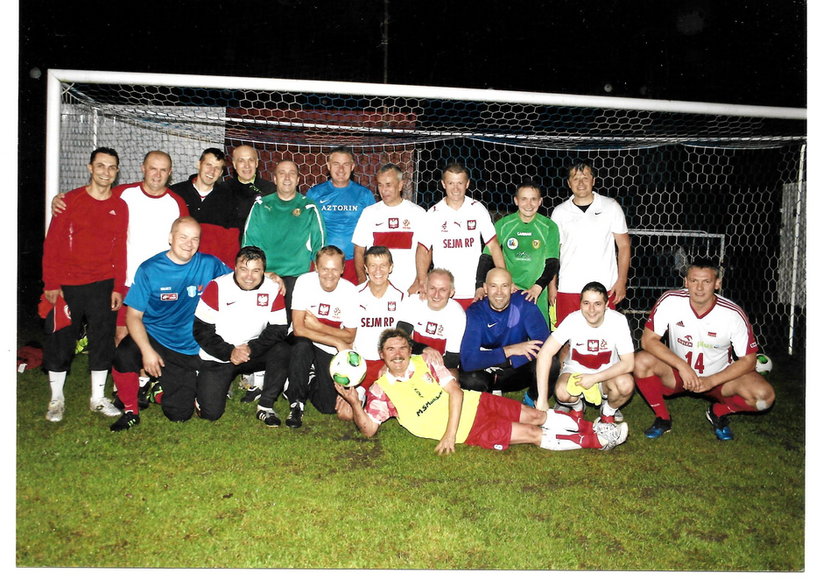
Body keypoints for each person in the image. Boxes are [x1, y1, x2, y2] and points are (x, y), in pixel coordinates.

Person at [335, 329, 629, 453]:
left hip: (477, 404)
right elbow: (370, 429)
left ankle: (596, 427)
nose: (397, 354)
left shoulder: (426, 360)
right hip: (471, 431)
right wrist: (354, 401)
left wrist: (448, 435)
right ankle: (595, 440)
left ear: (410, 349)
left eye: (402, 347)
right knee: (530, 434)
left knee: (536, 415)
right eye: (390, 349)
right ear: (381, 354)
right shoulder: (381, 391)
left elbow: (457, 393)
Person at [53, 150, 189, 344]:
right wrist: (62, 200)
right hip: (127, 281)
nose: (157, 175)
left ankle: (146, 376)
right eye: (152, 169)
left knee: (155, 336)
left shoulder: (177, 203)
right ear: (143, 169)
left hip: (160, 283)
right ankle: (125, 375)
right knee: (121, 335)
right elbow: (93, 195)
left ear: (170, 172)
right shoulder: (123, 194)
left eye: (163, 170)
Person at [108, 217, 229, 431]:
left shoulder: (209, 264)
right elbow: (133, 316)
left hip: (191, 345)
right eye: (183, 237)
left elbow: (242, 279)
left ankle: (162, 386)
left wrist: (270, 276)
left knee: (180, 415)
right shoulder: (150, 269)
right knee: (125, 352)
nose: (189, 244)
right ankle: (130, 411)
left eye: (195, 239)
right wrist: (147, 351)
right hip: (157, 338)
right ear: (170, 238)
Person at [634, 258, 775, 440]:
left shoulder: (732, 314)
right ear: (686, 282)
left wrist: (711, 380)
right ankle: (663, 418)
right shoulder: (670, 301)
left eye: (706, 281)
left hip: (718, 376)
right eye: (694, 281)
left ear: (717, 283)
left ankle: (718, 411)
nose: (699, 288)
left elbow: (749, 360)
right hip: (678, 374)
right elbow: (648, 340)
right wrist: (683, 367)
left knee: (765, 397)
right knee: (640, 361)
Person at [40, 147, 126, 422]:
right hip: (68, 285)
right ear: (90, 168)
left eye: (111, 167)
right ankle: (56, 399)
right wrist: (52, 283)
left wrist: (117, 287)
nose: (106, 172)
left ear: (117, 171)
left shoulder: (119, 206)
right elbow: (52, 244)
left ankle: (97, 398)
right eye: (101, 166)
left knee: (102, 340)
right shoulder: (69, 201)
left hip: (103, 284)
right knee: (61, 340)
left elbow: (119, 250)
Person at [193, 246, 290, 426]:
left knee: (282, 349)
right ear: (235, 268)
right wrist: (229, 352)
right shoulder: (217, 286)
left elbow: (279, 328)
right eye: (244, 269)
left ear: (263, 271)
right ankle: (204, 385)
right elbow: (201, 330)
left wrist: (251, 348)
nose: (249, 276)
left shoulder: (272, 288)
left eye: (256, 270)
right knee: (211, 414)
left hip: (251, 352)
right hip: (219, 356)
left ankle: (266, 405)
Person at [534, 282, 635, 427]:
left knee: (625, 384)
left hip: (607, 375)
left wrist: (594, 378)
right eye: (586, 303)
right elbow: (545, 353)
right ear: (580, 304)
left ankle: (607, 412)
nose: (591, 309)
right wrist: (542, 399)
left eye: (597, 304)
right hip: (576, 374)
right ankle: (577, 408)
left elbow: (629, 363)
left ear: (606, 305)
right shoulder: (573, 319)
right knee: (562, 392)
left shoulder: (618, 321)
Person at [549, 161, 631, 328]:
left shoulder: (611, 206)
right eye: (576, 178)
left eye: (585, 177)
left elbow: (623, 246)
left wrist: (622, 280)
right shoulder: (559, 212)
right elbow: (553, 253)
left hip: (604, 287)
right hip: (568, 287)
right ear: (568, 183)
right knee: (564, 341)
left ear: (593, 181)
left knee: (604, 338)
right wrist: (552, 286)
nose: (581, 182)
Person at [286, 245, 359, 428]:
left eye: (335, 269)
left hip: (327, 346)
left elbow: (349, 337)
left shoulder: (350, 291)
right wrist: (336, 340)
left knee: (327, 406)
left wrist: (319, 325)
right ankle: (296, 403)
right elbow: (299, 329)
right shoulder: (304, 282)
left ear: (343, 269)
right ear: (316, 267)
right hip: (306, 340)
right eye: (324, 268)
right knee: (301, 346)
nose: (329, 274)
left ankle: (310, 377)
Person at [242, 159, 326, 318]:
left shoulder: (309, 207)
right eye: (282, 173)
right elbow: (248, 247)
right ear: (274, 179)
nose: (287, 177)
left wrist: (315, 282)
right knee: (262, 332)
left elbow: (320, 248)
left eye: (292, 173)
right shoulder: (261, 205)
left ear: (298, 180)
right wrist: (263, 274)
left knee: (295, 335)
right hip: (265, 276)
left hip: (297, 279)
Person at [415, 163, 505, 309]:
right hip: (443, 292)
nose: (455, 188)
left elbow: (493, 245)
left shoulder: (477, 209)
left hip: (475, 291)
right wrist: (422, 280)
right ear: (443, 184)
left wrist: (504, 278)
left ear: (467, 184)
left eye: (460, 183)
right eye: (451, 183)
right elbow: (423, 249)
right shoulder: (433, 213)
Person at [459, 268, 549, 404]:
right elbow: (468, 361)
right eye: (493, 286)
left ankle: (532, 398)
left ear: (512, 287)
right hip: (486, 371)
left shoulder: (524, 303)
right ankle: (487, 399)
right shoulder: (475, 312)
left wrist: (512, 360)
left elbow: (544, 343)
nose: (499, 292)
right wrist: (509, 351)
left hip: (514, 370)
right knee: (470, 379)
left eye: (504, 286)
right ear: (485, 288)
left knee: (551, 362)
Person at [477, 181, 559, 326]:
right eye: (524, 199)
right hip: (509, 291)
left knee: (539, 341)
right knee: (511, 339)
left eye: (533, 199)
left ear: (540, 201)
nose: (529, 204)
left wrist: (538, 286)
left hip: (536, 293)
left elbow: (553, 263)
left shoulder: (549, 227)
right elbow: (486, 256)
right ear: (516, 200)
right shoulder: (503, 225)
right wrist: (479, 284)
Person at [351, 163, 426, 293]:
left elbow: (425, 250)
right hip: (376, 289)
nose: (383, 190)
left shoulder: (418, 213)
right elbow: (359, 250)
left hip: (408, 289)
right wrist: (363, 283)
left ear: (401, 185)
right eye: (380, 185)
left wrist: (418, 283)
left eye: (388, 185)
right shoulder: (369, 213)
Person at [306, 146, 376, 284]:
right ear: (328, 166)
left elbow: (373, 232)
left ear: (352, 167)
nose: (341, 169)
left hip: (354, 263)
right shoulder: (315, 194)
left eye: (346, 164)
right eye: (336, 164)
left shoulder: (365, 195)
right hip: (322, 262)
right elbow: (304, 229)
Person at [170, 148, 242, 267]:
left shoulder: (229, 200)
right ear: (199, 164)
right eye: (208, 165)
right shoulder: (176, 193)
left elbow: (231, 242)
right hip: (176, 266)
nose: (211, 171)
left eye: (217, 168)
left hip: (208, 269)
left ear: (220, 173)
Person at [396, 268, 466, 377]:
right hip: (411, 362)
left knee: (453, 375)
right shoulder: (413, 303)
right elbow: (399, 340)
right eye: (432, 288)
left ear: (451, 292)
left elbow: (453, 359)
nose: (436, 295)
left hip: (441, 366)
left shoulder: (457, 314)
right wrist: (424, 349)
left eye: (443, 290)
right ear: (425, 288)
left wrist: (428, 370)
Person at [225, 144, 277, 225]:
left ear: (256, 163)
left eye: (251, 160)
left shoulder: (271, 190)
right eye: (241, 160)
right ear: (234, 164)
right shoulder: (223, 190)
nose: (247, 165)